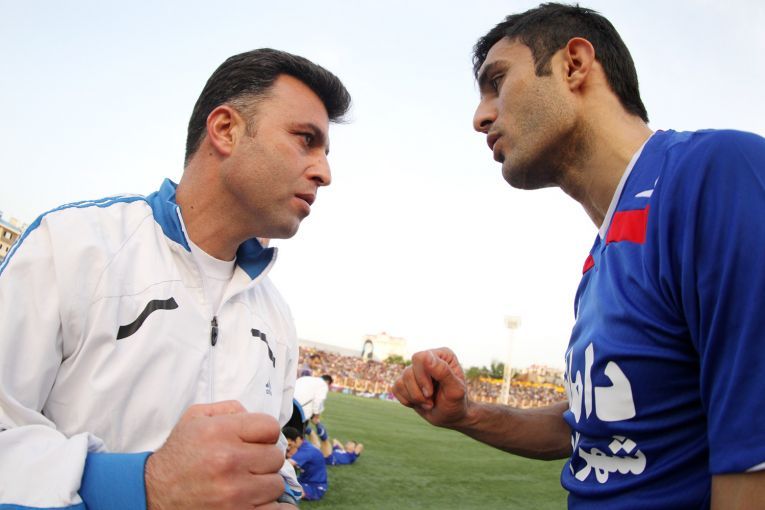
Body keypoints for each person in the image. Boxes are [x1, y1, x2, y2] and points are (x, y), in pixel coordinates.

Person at [393, 3, 765, 508]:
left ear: (574, 64)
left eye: (497, 82)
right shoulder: (598, 261)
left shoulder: (716, 173)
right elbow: (593, 427)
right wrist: (468, 415)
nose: (480, 117)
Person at [0, 48, 350, 509]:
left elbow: (274, 460)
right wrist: (144, 486)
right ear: (225, 129)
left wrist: (280, 494)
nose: (324, 173)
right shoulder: (72, 245)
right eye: (306, 140)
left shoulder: (277, 316)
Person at [283, 426, 329, 501]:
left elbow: (286, 465)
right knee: (283, 483)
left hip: (315, 487)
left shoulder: (307, 450)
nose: (288, 448)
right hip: (303, 481)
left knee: (283, 489)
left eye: (290, 445)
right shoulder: (304, 446)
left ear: (298, 439)